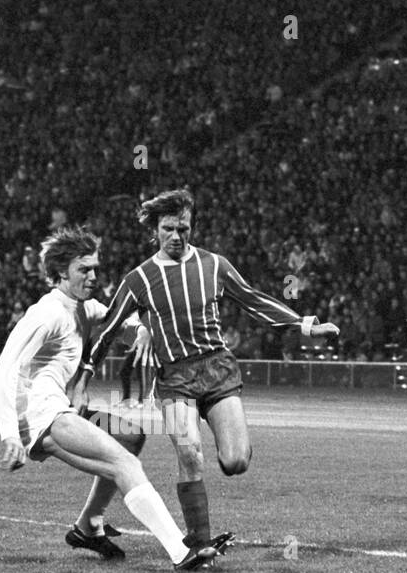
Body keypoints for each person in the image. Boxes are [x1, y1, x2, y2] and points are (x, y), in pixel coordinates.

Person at [71, 189, 339, 554]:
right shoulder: (140, 279)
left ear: (192, 226)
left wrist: (306, 325)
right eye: (169, 228)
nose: (177, 236)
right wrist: (83, 379)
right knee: (190, 453)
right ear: (155, 230)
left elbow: (254, 300)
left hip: (217, 370)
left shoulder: (215, 265)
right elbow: (107, 330)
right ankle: (199, 542)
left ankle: (223, 462)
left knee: (235, 461)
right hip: (175, 380)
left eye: (184, 227)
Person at [0, 225, 216, 571]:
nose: (93, 275)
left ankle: (88, 526)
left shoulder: (83, 307)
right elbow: (6, 367)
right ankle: (180, 552)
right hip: (41, 416)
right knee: (126, 465)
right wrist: (9, 432)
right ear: (59, 273)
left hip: (58, 410)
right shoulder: (47, 313)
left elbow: (119, 320)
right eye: (84, 269)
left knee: (130, 436)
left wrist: (140, 331)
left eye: (95, 267)